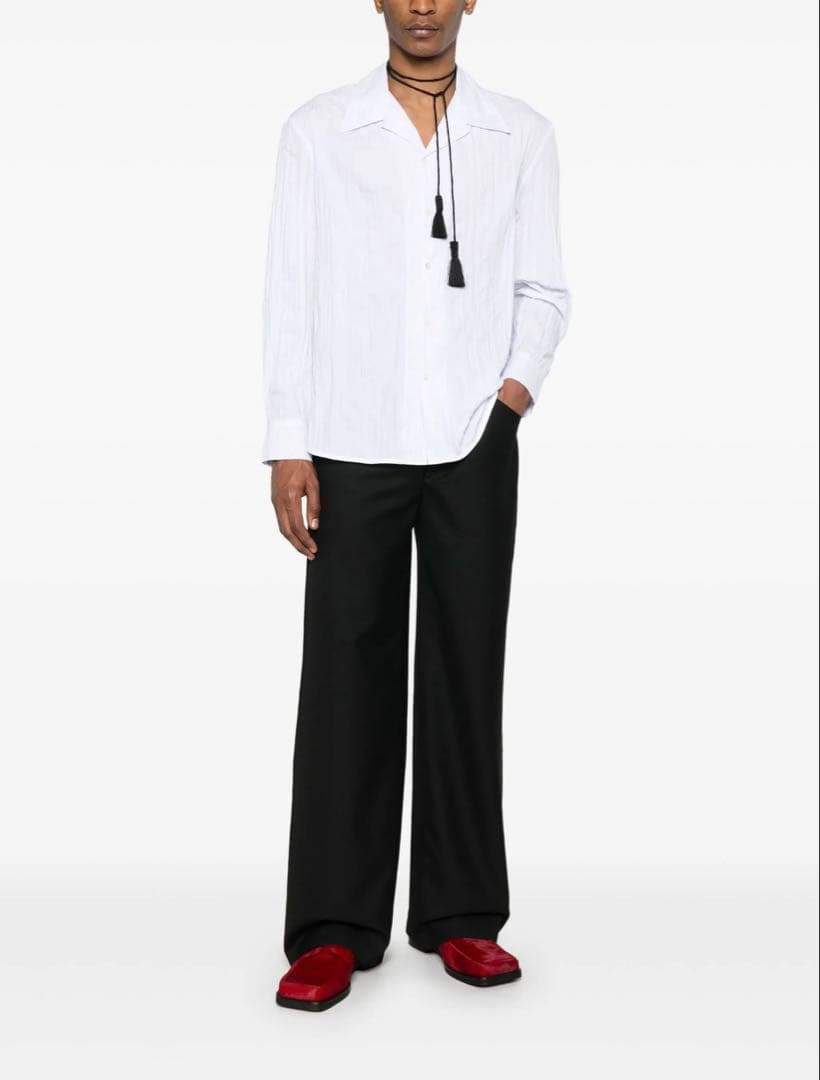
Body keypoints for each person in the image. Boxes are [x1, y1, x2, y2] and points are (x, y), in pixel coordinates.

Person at [262, 0, 570, 1012]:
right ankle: (332, 928)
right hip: (350, 440)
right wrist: (288, 442)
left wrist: (509, 400)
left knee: (465, 669)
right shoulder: (319, 130)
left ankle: (462, 913)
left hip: (473, 440)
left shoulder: (519, 133)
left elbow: (542, 289)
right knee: (343, 677)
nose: (424, 5)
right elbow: (292, 293)